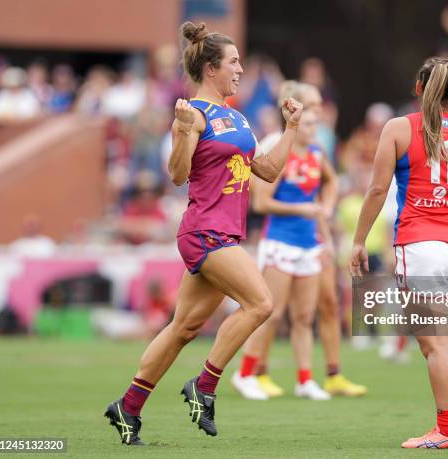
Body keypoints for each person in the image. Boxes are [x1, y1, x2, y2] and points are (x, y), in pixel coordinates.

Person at [104, 21, 303, 445]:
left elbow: (266, 171)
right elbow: (177, 174)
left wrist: (291, 131)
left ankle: (128, 406)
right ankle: (205, 385)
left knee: (184, 328)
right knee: (261, 302)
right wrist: (181, 131)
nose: (240, 68)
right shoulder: (193, 114)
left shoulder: (236, 117)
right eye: (233, 61)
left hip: (223, 234)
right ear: (210, 68)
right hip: (204, 231)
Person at [350, 57, 448, 449]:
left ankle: (446, 431)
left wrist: (359, 240)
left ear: (418, 88)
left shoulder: (399, 129)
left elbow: (378, 190)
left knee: (434, 344)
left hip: (421, 244)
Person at [234, 82, 366, 400]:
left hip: (309, 243)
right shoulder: (280, 151)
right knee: (272, 312)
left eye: (315, 121)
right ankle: (246, 372)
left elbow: (331, 182)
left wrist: (326, 207)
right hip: (280, 240)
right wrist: (302, 208)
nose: (315, 125)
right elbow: (261, 203)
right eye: (308, 120)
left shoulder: (317, 153)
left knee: (305, 316)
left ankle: (305, 379)